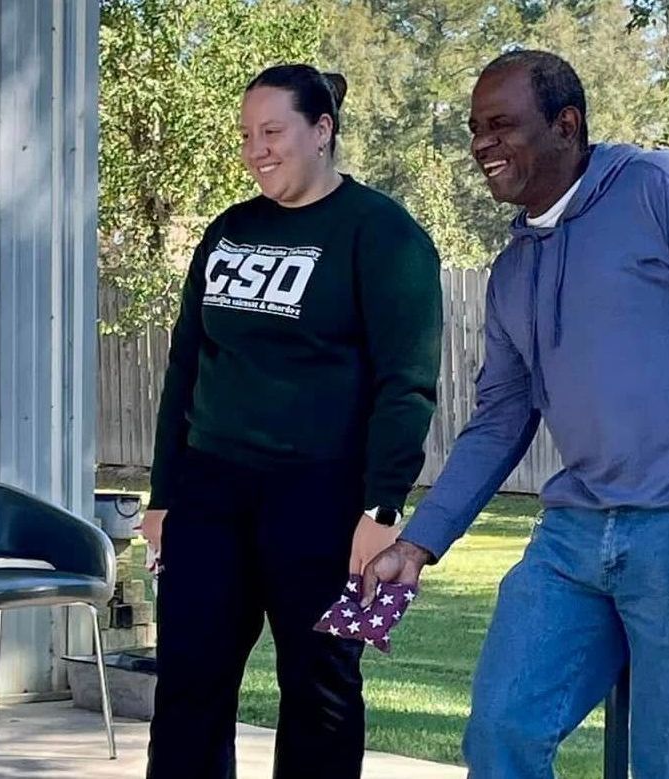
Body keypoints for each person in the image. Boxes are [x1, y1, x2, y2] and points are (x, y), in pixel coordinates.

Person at [362, 50, 669, 778]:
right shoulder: (514, 269)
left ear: (567, 124)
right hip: (570, 537)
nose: (482, 145)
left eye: (502, 125)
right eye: (474, 128)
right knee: (501, 733)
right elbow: (499, 419)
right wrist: (420, 541)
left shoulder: (664, 191)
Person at [142, 64, 443, 779]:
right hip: (210, 493)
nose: (256, 149)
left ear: (322, 130)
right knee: (189, 680)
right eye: (247, 135)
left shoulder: (384, 235)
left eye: (272, 131)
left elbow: (407, 385)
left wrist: (382, 506)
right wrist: (162, 496)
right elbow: (185, 369)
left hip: (322, 498)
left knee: (319, 690)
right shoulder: (228, 230)